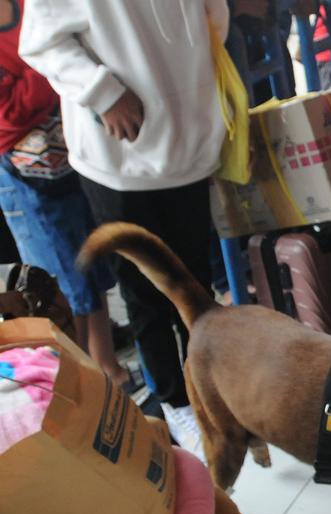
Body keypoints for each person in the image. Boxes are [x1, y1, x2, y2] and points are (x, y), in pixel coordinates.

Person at [21, 0, 231, 458]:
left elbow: (211, 21)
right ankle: (174, 402)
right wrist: (102, 91)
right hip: (118, 153)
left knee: (196, 286)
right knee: (144, 294)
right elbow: (40, 39)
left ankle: (214, 393)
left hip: (188, 140)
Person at [0, 0, 129, 388]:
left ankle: (108, 368)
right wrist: (57, 68)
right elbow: (8, 114)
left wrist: (59, 68)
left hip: (70, 161)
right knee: (56, 282)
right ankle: (89, 381)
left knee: (92, 266)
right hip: (22, 179)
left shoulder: (32, 8)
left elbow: (75, 56)